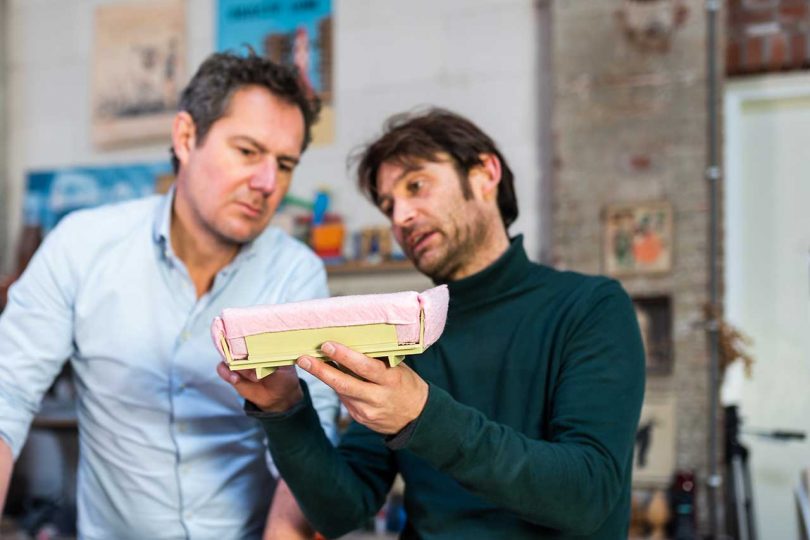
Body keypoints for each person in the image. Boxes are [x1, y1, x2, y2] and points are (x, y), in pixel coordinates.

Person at [219, 108, 646, 538]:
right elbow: (342, 511)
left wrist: (421, 415)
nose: (400, 217)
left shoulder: (590, 307)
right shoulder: (401, 332)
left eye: (416, 186)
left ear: (485, 174)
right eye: (389, 206)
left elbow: (588, 496)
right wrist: (285, 409)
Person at [0, 51, 339, 539]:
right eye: (247, 151)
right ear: (185, 137)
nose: (267, 183)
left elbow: (309, 453)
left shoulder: (295, 275)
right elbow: (8, 395)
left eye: (284, 164)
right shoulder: (82, 246)